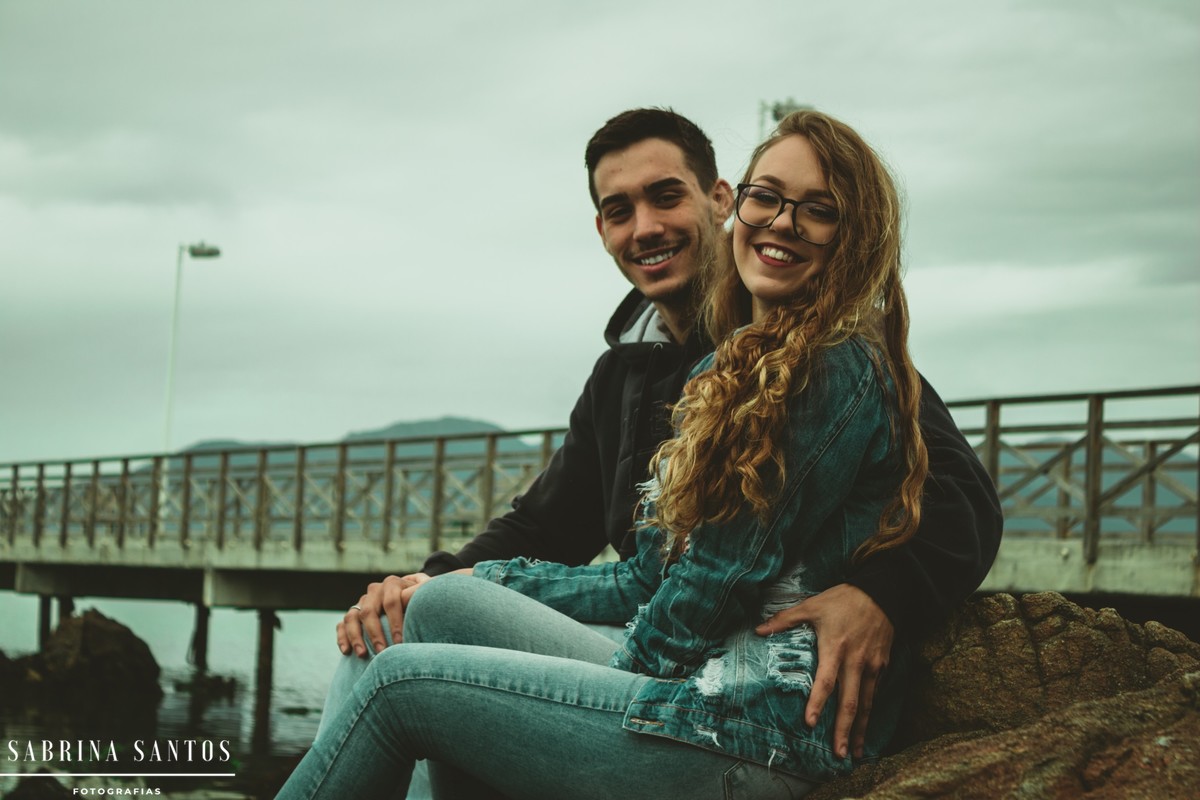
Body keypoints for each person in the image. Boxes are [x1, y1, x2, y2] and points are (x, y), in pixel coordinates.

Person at [279, 108, 957, 800]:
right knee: (426, 614)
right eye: (770, 198)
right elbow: (588, 545)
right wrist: (444, 581)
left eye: (818, 209)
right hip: (690, 662)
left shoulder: (834, 364)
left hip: (756, 714)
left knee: (402, 685)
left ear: (719, 200)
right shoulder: (701, 370)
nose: (783, 222)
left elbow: (953, 501)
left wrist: (884, 592)